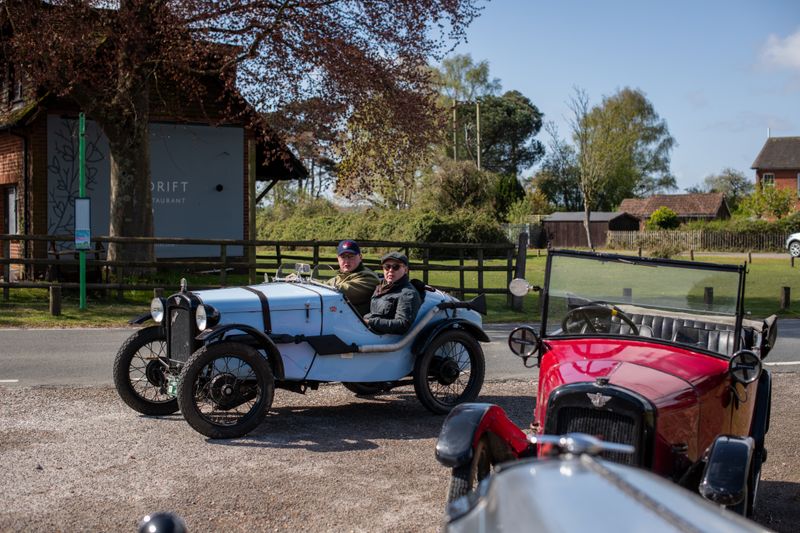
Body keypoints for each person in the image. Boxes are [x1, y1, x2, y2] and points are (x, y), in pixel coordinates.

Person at [364, 252, 422, 334]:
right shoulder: (383, 285)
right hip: (368, 330)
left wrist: (369, 322)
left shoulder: (408, 294)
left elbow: (402, 325)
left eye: (396, 267)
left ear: (405, 270)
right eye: (387, 267)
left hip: (383, 339)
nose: (390, 270)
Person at [327, 239, 380, 316]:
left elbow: (342, 290)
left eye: (351, 256)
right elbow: (324, 284)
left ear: (360, 257)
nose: (346, 261)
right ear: (338, 258)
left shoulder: (368, 277)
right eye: (343, 257)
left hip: (357, 324)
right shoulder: (341, 276)